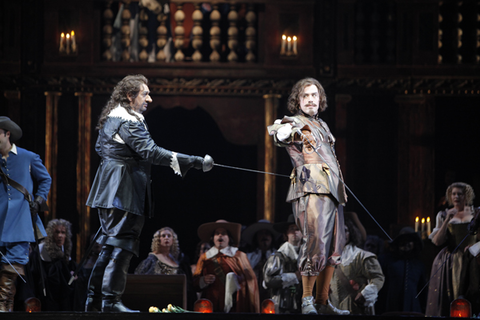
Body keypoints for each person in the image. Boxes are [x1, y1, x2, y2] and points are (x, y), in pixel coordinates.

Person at [84, 74, 213, 313]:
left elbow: (102, 149)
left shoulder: (114, 119)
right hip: (122, 190)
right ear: (129, 96)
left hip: (111, 188)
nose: (149, 99)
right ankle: (110, 303)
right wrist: (193, 161)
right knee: (121, 246)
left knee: (111, 246)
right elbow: (151, 152)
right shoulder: (128, 121)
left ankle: (95, 302)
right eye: (145, 93)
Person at [267, 77, 349, 315]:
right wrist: (284, 132)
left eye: (315, 96)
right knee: (315, 240)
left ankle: (322, 301)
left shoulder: (323, 125)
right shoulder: (294, 121)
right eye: (306, 96)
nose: (311, 100)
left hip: (333, 189)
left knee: (335, 244)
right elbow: (278, 134)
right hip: (311, 187)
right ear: (298, 100)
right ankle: (306, 300)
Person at [0, 116, 51, 312]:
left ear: (7, 134)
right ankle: (5, 307)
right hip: (1, 217)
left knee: (13, 264)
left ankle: (3, 307)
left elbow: (45, 179)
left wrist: (39, 199)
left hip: (20, 219)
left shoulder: (28, 156)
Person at [426, 182, 480, 316]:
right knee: (452, 295)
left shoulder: (476, 212)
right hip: (451, 260)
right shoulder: (443, 214)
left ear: (466, 195)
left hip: (473, 256)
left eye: (460, 194)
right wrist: (446, 220)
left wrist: (475, 246)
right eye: (453, 194)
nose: (456, 197)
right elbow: (437, 241)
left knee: (473, 290)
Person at [192, 219, 260, 313]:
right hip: (211, 305)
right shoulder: (205, 257)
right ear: (213, 238)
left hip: (235, 305)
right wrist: (203, 280)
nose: (220, 235)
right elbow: (195, 282)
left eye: (224, 233)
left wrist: (237, 280)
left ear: (229, 238)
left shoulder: (239, 256)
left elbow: (251, 281)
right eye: (217, 233)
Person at [329, 218, 384, 315]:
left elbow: (378, 277)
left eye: (345, 230)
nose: (341, 233)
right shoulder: (327, 258)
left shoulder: (362, 256)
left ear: (350, 233)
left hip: (355, 308)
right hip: (332, 308)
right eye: (337, 230)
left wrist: (365, 294)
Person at [134, 227, 196, 310]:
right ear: (158, 239)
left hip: (174, 300)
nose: (166, 238)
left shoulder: (175, 260)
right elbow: (140, 279)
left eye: (169, 236)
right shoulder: (152, 259)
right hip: (156, 298)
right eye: (163, 236)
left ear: (173, 239)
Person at [377, 227, 427, 315]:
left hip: (413, 310)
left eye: (409, 240)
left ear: (414, 244)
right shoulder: (385, 260)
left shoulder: (419, 265)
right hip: (390, 309)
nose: (406, 243)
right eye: (403, 240)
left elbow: (423, 290)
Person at [30, 219, 76, 311]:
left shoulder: (64, 250)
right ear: (51, 234)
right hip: (45, 296)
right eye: (57, 232)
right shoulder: (40, 251)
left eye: (63, 232)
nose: (60, 236)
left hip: (61, 298)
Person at [263, 214, 303, 314]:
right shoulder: (279, 256)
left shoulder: (306, 255)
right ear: (286, 233)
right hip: (281, 305)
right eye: (291, 229)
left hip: (300, 305)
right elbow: (268, 280)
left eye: (298, 229)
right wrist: (294, 276)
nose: (295, 232)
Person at [241, 219, 279, 303]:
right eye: (261, 234)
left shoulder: (279, 256)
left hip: (273, 295)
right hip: (252, 295)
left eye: (267, 233)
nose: (264, 236)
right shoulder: (248, 257)